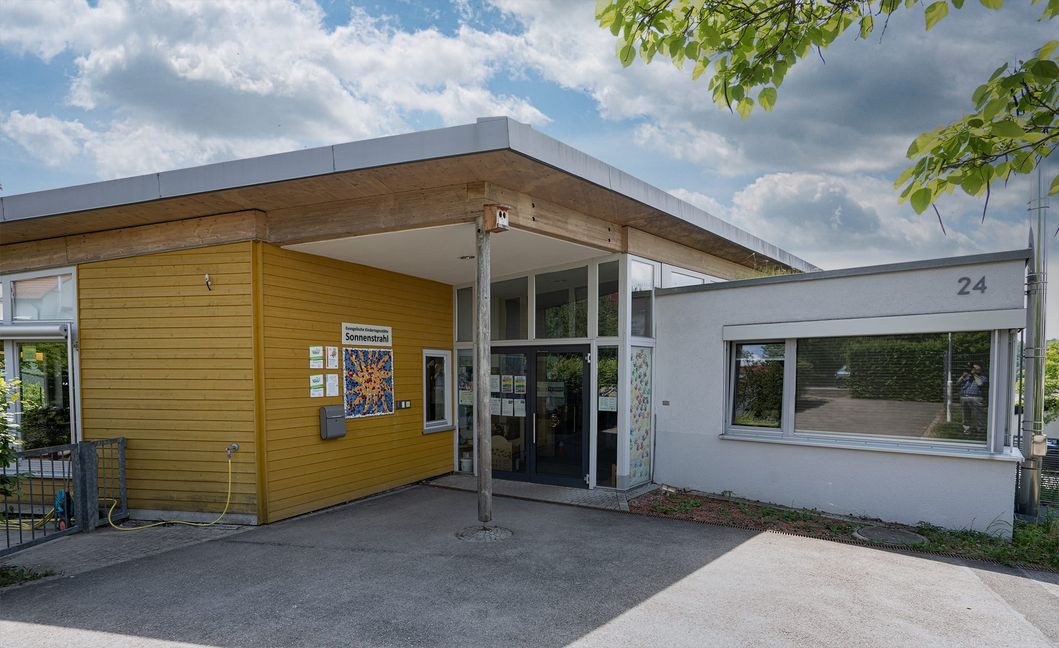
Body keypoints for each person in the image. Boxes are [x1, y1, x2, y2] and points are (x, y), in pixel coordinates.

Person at [957, 363, 988, 436]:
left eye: (975, 369)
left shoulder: (983, 377)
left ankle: (980, 430)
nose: (972, 370)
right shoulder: (967, 377)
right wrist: (962, 376)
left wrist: (974, 375)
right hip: (964, 397)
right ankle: (966, 430)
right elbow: (957, 383)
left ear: (979, 370)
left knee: (978, 415)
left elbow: (980, 384)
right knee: (965, 415)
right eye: (972, 368)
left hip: (976, 398)